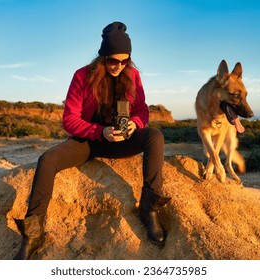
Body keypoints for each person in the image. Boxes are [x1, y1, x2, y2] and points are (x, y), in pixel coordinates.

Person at [13, 21, 171, 260]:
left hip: (121, 141)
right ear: (103, 57)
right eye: (113, 60)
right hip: (88, 141)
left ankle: (149, 208)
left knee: (154, 136)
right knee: (46, 161)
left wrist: (134, 125)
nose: (119, 66)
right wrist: (100, 132)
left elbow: (142, 111)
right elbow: (69, 120)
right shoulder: (82, 76)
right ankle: (33, 235)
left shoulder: (134, 75)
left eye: (124, 60)